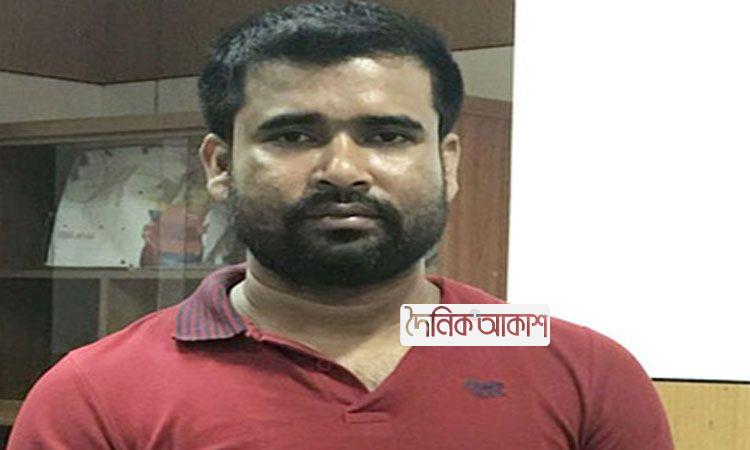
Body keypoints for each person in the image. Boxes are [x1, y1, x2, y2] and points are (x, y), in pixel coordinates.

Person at [8, 1, 674, 448]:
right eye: (294, 135)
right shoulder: (95, 396)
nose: (343, 170)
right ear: (220, 165)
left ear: (448, 162)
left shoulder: (582, 372)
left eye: (387, 135)